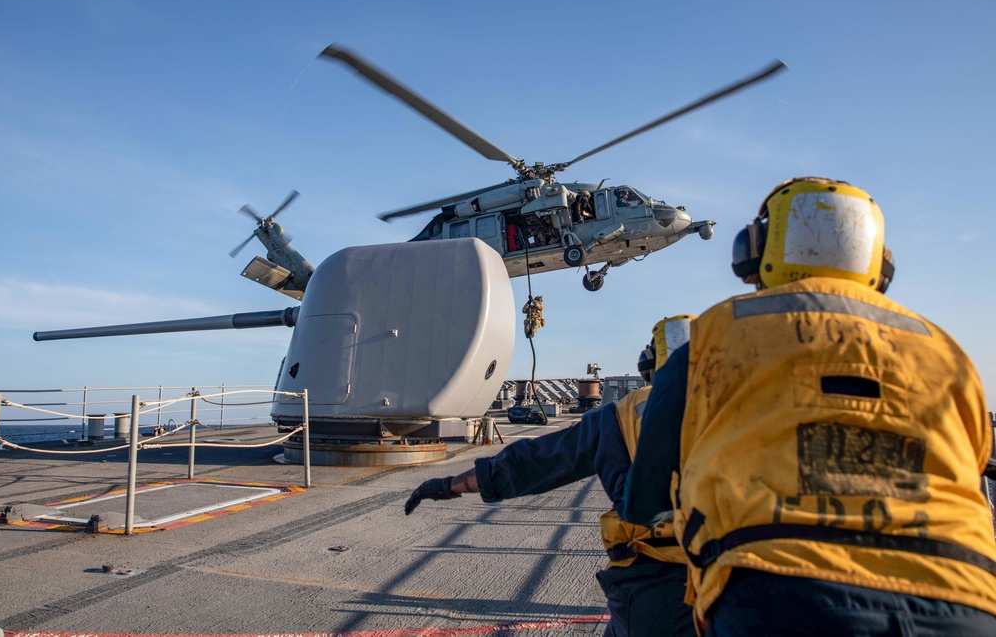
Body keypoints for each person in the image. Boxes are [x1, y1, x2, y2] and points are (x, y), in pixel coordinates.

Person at [619, 177, 996, 635]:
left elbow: (644, 499)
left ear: (754, 251)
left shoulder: (712, 337)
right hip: (962, 594)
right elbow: (973, 461)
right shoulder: (944, 350)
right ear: (881, 266)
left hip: (774, 591)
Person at [405, 320, 697, 637]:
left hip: (654, 586)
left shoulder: (624, 416)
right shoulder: (745, 407)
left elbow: (540, 461)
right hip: (735, 577)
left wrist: (451, 485)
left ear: (649, 365)